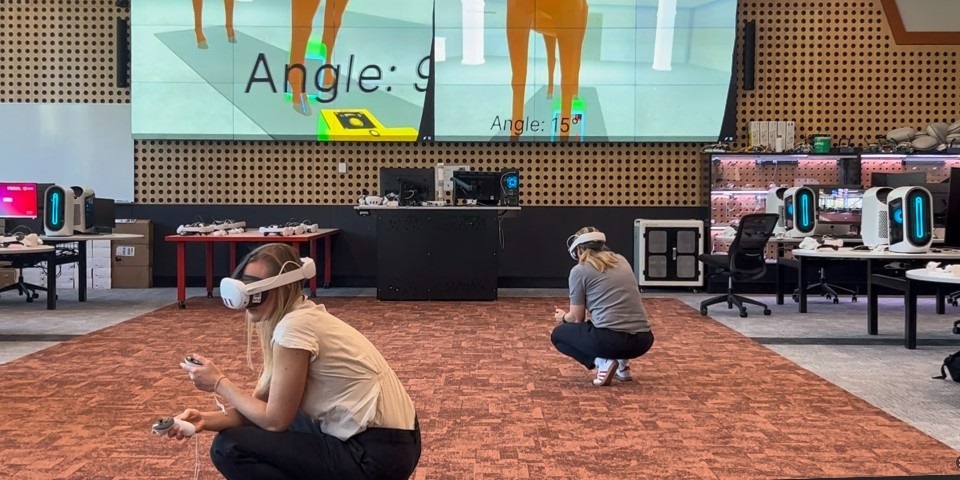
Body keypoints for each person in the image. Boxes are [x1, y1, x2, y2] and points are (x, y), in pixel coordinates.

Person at [160, 243, 421, 480]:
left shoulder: (294, 327)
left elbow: (275, 420)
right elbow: (262, 409)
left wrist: (219, 382)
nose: (246, 298)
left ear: (283, 287)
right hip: (395, 443)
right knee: (274, 421)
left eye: (255, 287)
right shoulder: (299, 316)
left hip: (375, 455)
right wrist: (204, 420)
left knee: (229, 448)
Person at [551, 227, 655, 386]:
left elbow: (577, 318)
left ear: (578, 250)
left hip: (612, 340)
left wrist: (563, 317)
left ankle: (602, 362)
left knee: (559, 335)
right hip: (643, 340)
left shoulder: (580, 270)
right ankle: (622, 365)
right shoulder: (621, 260)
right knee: (607, 324)